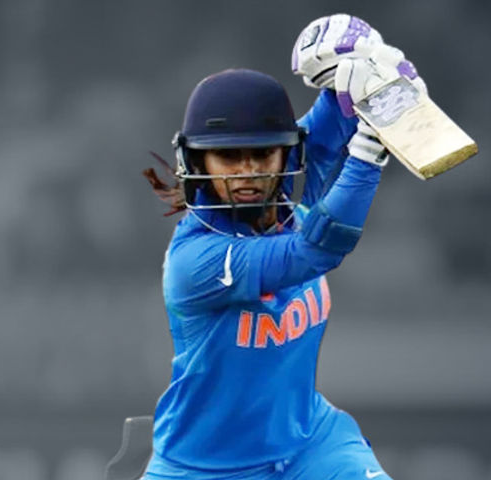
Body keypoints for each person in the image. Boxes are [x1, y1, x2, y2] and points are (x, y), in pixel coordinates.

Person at [141, 14, 424, 480]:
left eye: (262, 154)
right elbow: (316, 250)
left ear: (286, 154)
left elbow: (333, 123)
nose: (248, 172)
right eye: (229, 157)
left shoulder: (291, 188)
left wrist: (368, 68)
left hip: (312, 444)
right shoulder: (195, 260)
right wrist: (369, 154)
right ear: (198, 161)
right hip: (204, 467)